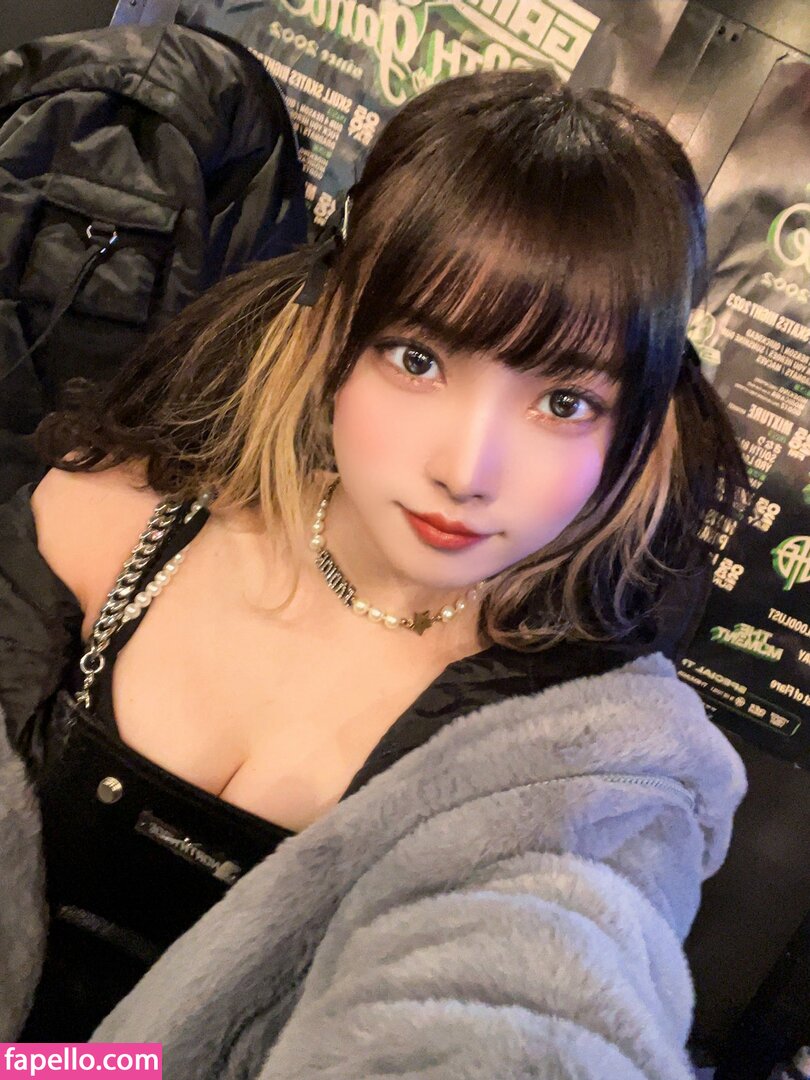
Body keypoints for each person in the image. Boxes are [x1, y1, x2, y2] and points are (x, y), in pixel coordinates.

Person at [0, 69, 749, 1075]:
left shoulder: (588, 771)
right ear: (332, 330)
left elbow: (543, 992)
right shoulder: (104, 522)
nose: (467, 470)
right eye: (417, 359)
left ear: (636, 430)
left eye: (564, 402)